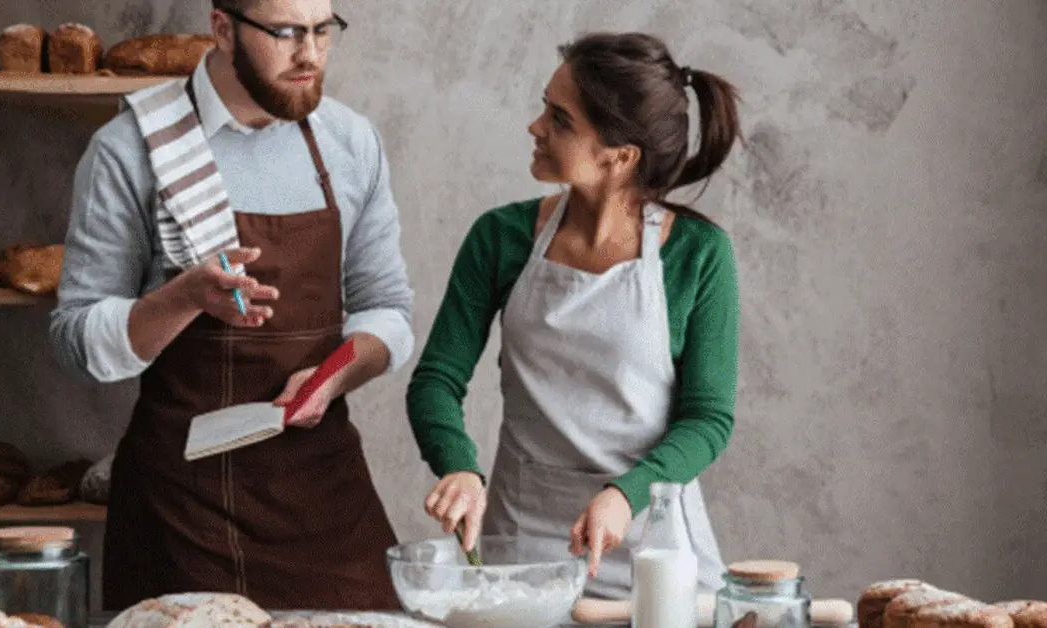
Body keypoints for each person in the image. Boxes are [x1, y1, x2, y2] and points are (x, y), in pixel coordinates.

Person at [49, 0, 414, 612]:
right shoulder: (131, 149)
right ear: (221, 29)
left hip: (321, 493)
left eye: (324, 30)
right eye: (287, 33)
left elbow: (388, 309)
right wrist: (182, 298)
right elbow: (74, 340)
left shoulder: (350, 142)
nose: (311, 55)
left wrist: (334, 375)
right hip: (181, 507)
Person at [405, 31, 742, 599]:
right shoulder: (500, 237)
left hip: (653, 547)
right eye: (544, 107)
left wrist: (625, 496)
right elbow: (436, 380)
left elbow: (708, 419)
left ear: (620, 155)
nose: (536, 126)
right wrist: (458, 466)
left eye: (559, 119)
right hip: (523, 549)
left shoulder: (699, 254)